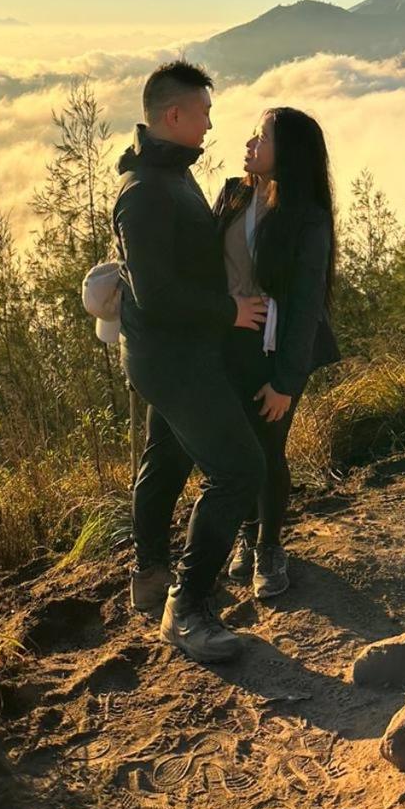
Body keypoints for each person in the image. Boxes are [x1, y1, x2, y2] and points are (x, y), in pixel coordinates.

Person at [114, 60, 269, 663]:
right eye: (203, 112)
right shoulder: (147, 193)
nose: (210, 123)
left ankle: (150, 577)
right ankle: (188, 608)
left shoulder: (168, 174)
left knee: (168, 459)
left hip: (167, 353)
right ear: (173, 115)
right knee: (239, 469)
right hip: (173, 359)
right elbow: (157, 294)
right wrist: (229, 311)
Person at [214, 107, 339, 599]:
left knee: (267, 448)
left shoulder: (307, 217)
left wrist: (286, 380)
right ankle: (247, 535)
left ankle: (268, 546)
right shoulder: (233, 193)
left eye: (262, 137)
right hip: (229, 341)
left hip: (278, 346)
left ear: (288, 152)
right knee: (236, 447)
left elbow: (307, 305)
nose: (251, 143)